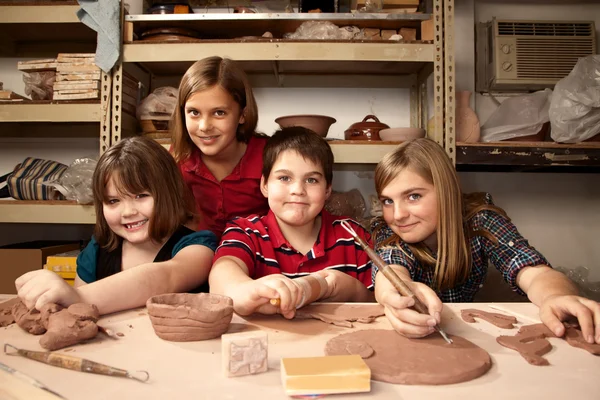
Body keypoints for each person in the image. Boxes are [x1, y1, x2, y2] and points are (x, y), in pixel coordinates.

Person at [371, 138, 600, 344]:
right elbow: (391, 271)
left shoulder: (481, 221)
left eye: (414, 196)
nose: (398, 214)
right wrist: (395, 296)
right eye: (387, 201)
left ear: (446, 191)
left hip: (465, 334)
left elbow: (533, 271)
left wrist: (555, 296)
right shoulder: (388, 231)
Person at [16, 137, 217, 315]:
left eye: (141, 196)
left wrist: (79, 297)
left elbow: (165, 277)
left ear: (170, 194)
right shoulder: (97, 251)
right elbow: (79, 318)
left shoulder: (199, 247)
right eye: (113, 201)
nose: (127, 211)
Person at [209, 127, 375, 319]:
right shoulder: (246, 232)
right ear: (264, 185)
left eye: (311, 180)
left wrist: (352, 290)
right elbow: (223, 272)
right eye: (284, 178)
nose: (298, 190)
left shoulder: (353, 236)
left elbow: (375, 301)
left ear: (328, 190)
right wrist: (242, 290)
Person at [170, 56, 269, 239]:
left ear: (242, 115)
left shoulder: (269, 156)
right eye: (194, 112)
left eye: (219, 113)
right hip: (198, 252)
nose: (204, 126)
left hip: (258, 254)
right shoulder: (179, 156)